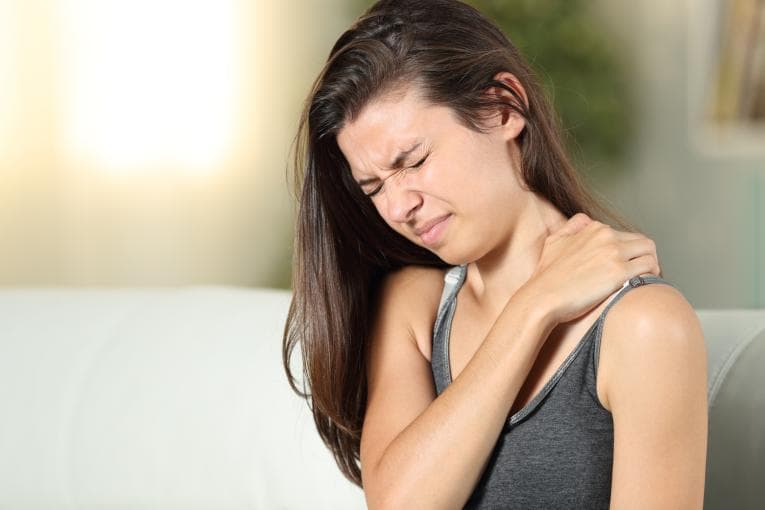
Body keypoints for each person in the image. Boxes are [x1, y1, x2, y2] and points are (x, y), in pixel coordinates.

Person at [282, 0, 708, 508]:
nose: (398, 206)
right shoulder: (415, 305)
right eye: (373, 187)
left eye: (415, 161)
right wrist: (534, 307)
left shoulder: (644, 326)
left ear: (503, 109)